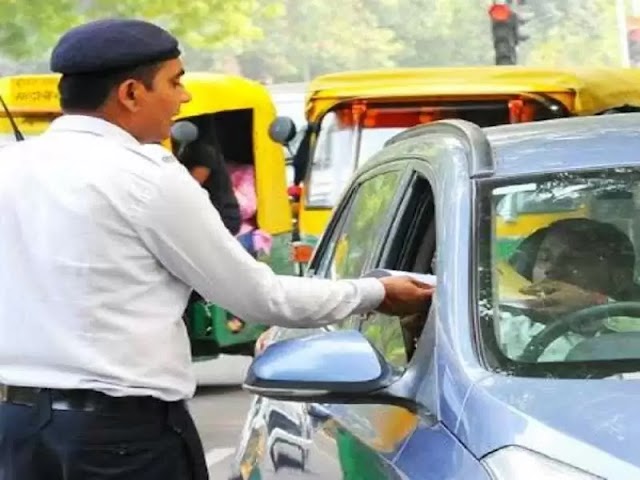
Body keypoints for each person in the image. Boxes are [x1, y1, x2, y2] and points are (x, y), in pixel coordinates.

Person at [0, 18, 433, 480]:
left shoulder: (10, 165)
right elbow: (260, 298)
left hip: (18, 428)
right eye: (175, 81)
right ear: (130, 93)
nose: (183, 98)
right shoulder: (145, 177)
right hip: (118, 438)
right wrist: (377, 292)